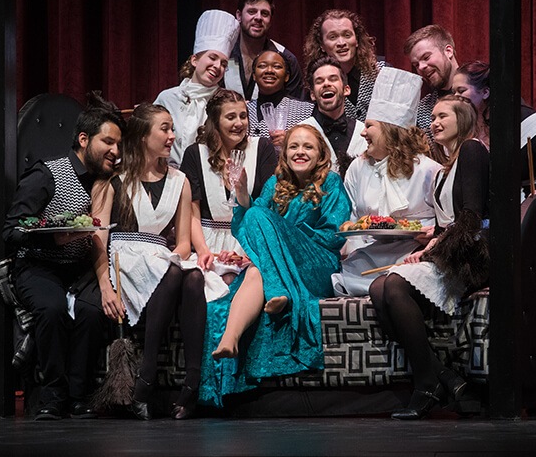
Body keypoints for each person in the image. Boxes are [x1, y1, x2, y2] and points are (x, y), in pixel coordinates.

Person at [199, 124, 352, 407]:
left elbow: (334, 235)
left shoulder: (331, 183)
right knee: (255, 265)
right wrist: (241, 191)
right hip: (276, 266)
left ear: (321, 154)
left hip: (316, 263)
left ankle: (276, 288)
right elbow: (250, 223)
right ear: (285, 153)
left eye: (308, 147)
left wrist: (282, 239)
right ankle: (230, 337)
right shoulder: (274, 184)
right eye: (294, 146)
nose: (300, 152)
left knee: (259, 221)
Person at [2, 92, 124, 421]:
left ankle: (78, 395)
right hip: (38, 264)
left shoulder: (106, 183)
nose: (115, 151)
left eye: (118, 145)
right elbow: (11, 230)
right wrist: (52, 237)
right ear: (84, 139)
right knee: (52, 309)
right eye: (108, 142)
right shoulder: (48, 174)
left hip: (80, 268)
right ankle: (51, 394)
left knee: (92, 312)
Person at [368, 94, 490, 419]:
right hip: (449, 248)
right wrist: (427, 245)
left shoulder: (472, 150)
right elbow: (442, 224)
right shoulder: (444, 167)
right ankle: (446, 378)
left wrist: (434, 249)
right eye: (432, 117)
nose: (434, 123)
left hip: (471, 253)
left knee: (394, 286)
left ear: (463, 119)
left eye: (442, 116)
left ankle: (425, 383)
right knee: (377, 288)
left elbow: (470, 216)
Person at [90, 103, 207, 421]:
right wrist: (105, 286)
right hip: (125, 259)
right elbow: (98, 238)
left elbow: (183, 243)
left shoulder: (180, 181)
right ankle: (148, 373)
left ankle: (192, 383)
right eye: (164, 129)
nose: (172, 136)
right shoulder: (113, 181)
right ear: (143, 135)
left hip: (162, 257)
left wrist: (170, 258)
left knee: (194, 278)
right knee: (175, 273)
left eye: (173, 129)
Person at [332, 67, 442, 297]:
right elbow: (352, 220)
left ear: (390, 131)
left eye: (369, 126)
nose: (363, 133)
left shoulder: (428, 170)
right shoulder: (358, 168)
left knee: (396, 284)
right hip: (369, 253)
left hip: (416, 253)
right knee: (340, 279)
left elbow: (446, 223)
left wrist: (432, 235)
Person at [180, 89, 277, 282]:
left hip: (249, 241)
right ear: (215, 121)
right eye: (231, 117)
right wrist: (203, 251)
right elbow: (192, 211)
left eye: (243, 116)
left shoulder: (262, 148)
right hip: (206, 242)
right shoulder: (195, 154)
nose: (239, 123)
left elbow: (268, 208)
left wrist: (248, 251)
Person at [451, 61, 536, 204]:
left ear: (485, 92)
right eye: (453, 92)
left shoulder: (525, 120)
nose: (455, 97)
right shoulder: (467, 128)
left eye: (461, 91)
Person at [154, 9, 240, 167]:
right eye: (212, 58)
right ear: (195, 60)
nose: (217, 66)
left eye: (223, 63)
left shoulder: (225, 103)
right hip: (167, 175)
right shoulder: (167, 98)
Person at [303, 8, 386, 122]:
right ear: (321, 45)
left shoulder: (382, 72)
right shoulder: (315, 82)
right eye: (333, 37)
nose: (341, 43)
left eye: (347, 35)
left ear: (356, 40)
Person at [225, 0, 306, 101]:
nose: (258, 17)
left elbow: (297, 106)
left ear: (270, 20)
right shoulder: (223, 54)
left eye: (264, 13)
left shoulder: (287, 59)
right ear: (239, 16)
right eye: (252, 12)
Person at [299, 56, 367, 176]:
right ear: (312, 95)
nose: (326, 84)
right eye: (319, 81)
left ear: (346, 89)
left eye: (333, 79)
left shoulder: (364, 133)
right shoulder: (300, 132)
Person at [403, 25, 460, 155]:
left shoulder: (478, 90)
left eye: (426, 57)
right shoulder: (422, 110)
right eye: (416, 64)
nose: (421, 67)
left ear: (448, 51)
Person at [245, 50, 314, 146]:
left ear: (286, 76)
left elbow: (315, 145)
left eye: (277, 66)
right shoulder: (244, 110)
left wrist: (291, 142)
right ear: (254, 76)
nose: (269, 70)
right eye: (262, 66)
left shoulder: (306, 111)